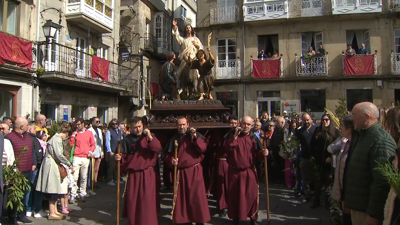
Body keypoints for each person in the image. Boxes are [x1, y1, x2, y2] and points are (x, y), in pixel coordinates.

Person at [344, 102, 396, 225]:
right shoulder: (363, 136)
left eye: (354, 115)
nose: (352, 118)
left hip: (367, 213)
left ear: (366, 117)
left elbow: (382, 182)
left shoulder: (380, 141)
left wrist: (374, 214)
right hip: (359, 208)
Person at [115, 117, 162, 225]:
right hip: (133, 175)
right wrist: (119, 158)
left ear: (143, 126)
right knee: (133, 201)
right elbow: (123, 157)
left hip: (147, 174)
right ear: (130, 128)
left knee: (147, 201)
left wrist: (149, 136)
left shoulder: (149, 137)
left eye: (139, 126)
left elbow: (157, 148)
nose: (137, 129)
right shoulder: (126, 140)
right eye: (135, 127)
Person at [164, 117, 210, 224]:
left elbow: (202, 149)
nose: (182, 127)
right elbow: (167, 155)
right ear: (177, 126)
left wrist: (194, 137)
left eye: (184, 124)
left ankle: (199, 220)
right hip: (181, 173)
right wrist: (171, 161)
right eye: (180, 125)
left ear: (188, 124)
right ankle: (185, 220)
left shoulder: (195, 136)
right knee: (183, 199)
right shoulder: (174, 139)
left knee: (197, 197)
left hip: (195, 171)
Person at [225, 116, 269, 225]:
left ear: (252, 125)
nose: (246, 126)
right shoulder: (232, 135)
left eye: (248, 124)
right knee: (236, 196)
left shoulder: (254, 138)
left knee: (251, 195)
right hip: (235, 172)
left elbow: (258, 154)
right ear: (240, 123)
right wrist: (235, 136)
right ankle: (236, 217)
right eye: (244, 124)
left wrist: (264, 153)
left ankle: (253, 218)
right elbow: (226, 149)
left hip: (249, 171)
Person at [36, 122, 73, 220]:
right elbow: (59, 155)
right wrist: (69, 164)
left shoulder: (56, 138)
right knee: (52, 188)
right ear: (66, 133)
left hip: (53, 163)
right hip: (51, 164)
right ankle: (52, 212)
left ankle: (55, 210)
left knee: (55, 188)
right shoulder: (57, 139)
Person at [5, 117, 37, 224]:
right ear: (22, 126)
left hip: (28, 170)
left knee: (24, 194)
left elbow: (31, 151)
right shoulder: (9, 138)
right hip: (16, 173)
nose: (28, 127)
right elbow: (9, 156)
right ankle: (12, 217)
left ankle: (21, 215)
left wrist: (33, 163)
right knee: (14, 196)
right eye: (27, 125)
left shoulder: (28, 137)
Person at [309, 113, 340, 208]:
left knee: (328, 182)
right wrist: (313, 155)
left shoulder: (335, 132)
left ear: (330, 121)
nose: (325, 122)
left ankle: (328, 202)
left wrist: (331, 157)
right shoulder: (318, 131)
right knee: (318, 182)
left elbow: (338, 146)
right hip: (319, 161)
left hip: (329, 162)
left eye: (326, 120)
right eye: (323, 120)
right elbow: (312, 144)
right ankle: (316, 201)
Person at [330, 115, 354, 225]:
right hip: (341, 191)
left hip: (349, 195)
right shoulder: (344, 142)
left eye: (342, 126)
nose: (340, 129)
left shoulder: (353, 145)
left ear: (349, 129)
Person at [172, 20, 203, 95]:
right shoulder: (184, 40)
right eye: (187, 28)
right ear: (185, 30)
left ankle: (197, 89)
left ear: (191, 29)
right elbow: (177, 37)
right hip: (185, 59)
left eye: (189, 28)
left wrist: (196, 45)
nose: (188, 29)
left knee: (196, 73)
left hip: (193, 59)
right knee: (180, 72)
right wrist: (175, 27)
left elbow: (201, 48)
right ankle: (180, 87)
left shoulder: (195, 39)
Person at [69, 118, 95, 203]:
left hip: (85, 157)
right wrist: (73, 136)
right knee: (75, 177)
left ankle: (82, 193)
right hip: (77, 156)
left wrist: (90, 152)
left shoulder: (89, 133)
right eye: (76, 125)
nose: (77, 126)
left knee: (84, 177)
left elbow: (93, 144)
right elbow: (70, 144)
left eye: (79, 124)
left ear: (83, 124)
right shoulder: (75, 134)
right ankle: (73, 194)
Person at [295, 113, 317, 202]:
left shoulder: (316, 130)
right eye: (304, 120)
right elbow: (295, 143)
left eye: (308, 120)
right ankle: (307, 195)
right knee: (305, 178)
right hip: (304, 157)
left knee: (315, 178)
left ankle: (315, 195)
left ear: (311, 119)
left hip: (315, 157)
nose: (306, 122)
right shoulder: (300, 132)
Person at [105, 118, 123, 186]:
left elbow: (121, 140)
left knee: (117, 166)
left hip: (118, 151)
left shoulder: (119, 131)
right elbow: (107, 142)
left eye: (116, 124)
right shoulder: (109, 131)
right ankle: (110, 180)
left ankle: (116, 179)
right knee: (111, 166)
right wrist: (109, 151)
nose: (114, 125)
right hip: (112, 151)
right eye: (113, 124)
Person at [88, 117, 104, 190]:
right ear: (92, 122)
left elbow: (101, 143)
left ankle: (95, 182)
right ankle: (90, 184)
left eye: (99, 121)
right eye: (96, 121)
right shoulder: (89, 131)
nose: (98, 123)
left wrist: (102, 152)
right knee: (91, 170)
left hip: (99, 152)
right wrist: (90, 152)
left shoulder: (100, 131)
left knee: (97, 169)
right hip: (92, 153)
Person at [269, 117, 286, 185]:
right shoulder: (276, 130)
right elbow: (272, 140)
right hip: (275, 150)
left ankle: (282, 180)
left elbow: (284, 141)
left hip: (281, 151)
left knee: (282, 166)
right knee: (276, 165)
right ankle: (276, 179)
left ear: (282, 123)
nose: (276, 123)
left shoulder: (285, 130)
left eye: (277, 122)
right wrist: (271, 148)